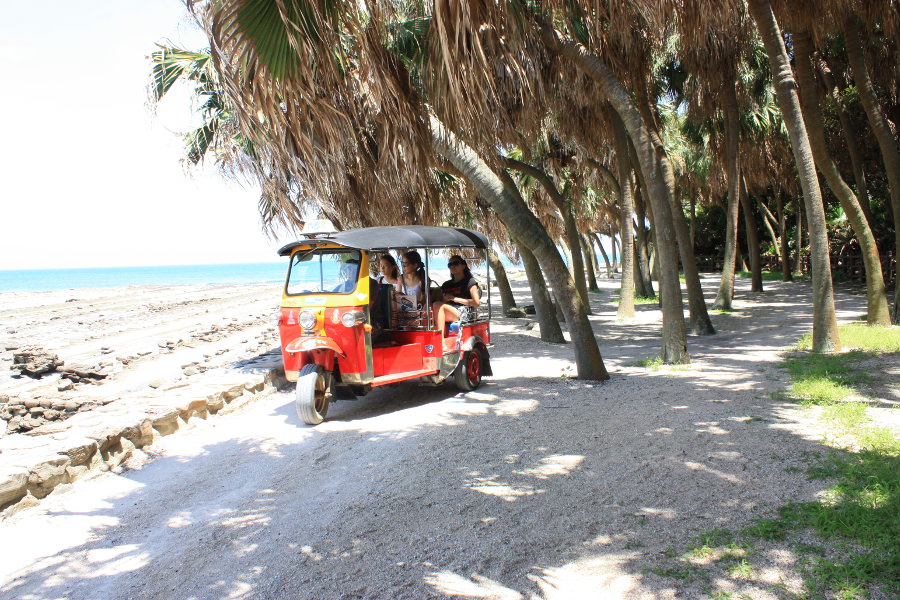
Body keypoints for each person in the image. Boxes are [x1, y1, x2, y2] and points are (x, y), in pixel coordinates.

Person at [432, 255, 480, 340]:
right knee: (427, 307)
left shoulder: (470, 282)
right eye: (450, 264)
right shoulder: (446, 284)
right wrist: (445, 299)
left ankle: (440, 340)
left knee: (437, 305)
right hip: (450, 309)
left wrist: (454, 298)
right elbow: (442, 301)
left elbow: (476, 302)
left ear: (463, 266)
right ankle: (426, 338)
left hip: (464, 311)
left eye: (456, 263)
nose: (452, 266)